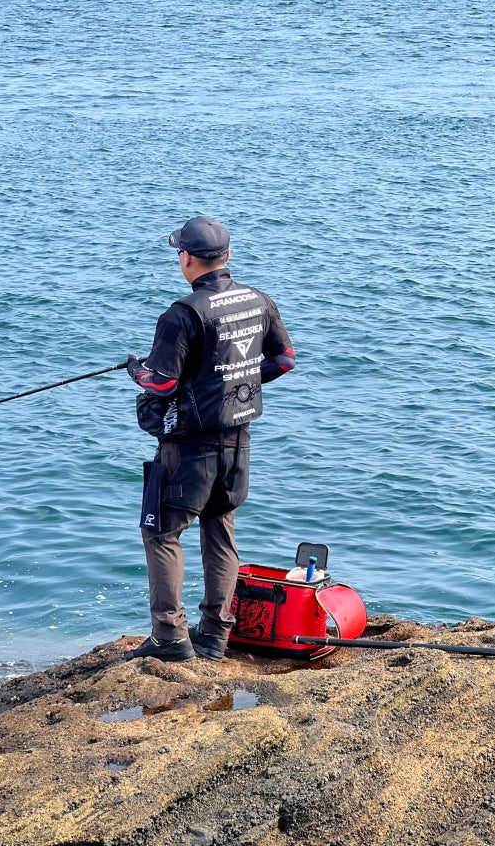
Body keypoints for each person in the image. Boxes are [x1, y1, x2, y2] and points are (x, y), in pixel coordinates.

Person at [125, 215, 295, 663]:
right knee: (220, 531)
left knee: (161, 533)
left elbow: (162, 384)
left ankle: (169, 638)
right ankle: (215, 636)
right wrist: (237, 381)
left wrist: (136, 370)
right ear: (227, 255)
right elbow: (284, 360)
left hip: (190, 448)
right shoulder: (259, 300)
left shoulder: (182, 314)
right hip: (238, 443)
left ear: (185, 259)